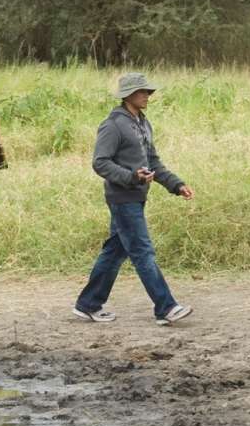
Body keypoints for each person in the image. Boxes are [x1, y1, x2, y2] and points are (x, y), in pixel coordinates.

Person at [74, 72, 196, 326]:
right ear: (128, 95)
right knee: (142, 252)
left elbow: (153, 162)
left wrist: (176, 184)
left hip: (137, 196)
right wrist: (131, 177)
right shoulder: (113, 125)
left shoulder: (142, 123)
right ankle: (166, 307)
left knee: (115, 252)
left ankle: (88, 304)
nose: (147, 96)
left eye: (148, 91)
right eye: (142, 92)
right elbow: (100, 163)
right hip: (122, 197)